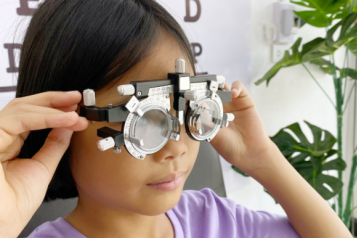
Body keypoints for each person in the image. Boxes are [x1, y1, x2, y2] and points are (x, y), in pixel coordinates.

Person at [0, 0, 352, 237]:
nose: (175, 148)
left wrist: (262, 159)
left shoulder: (216, 220)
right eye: (145, 120)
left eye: (186, 109)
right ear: (60, 123)